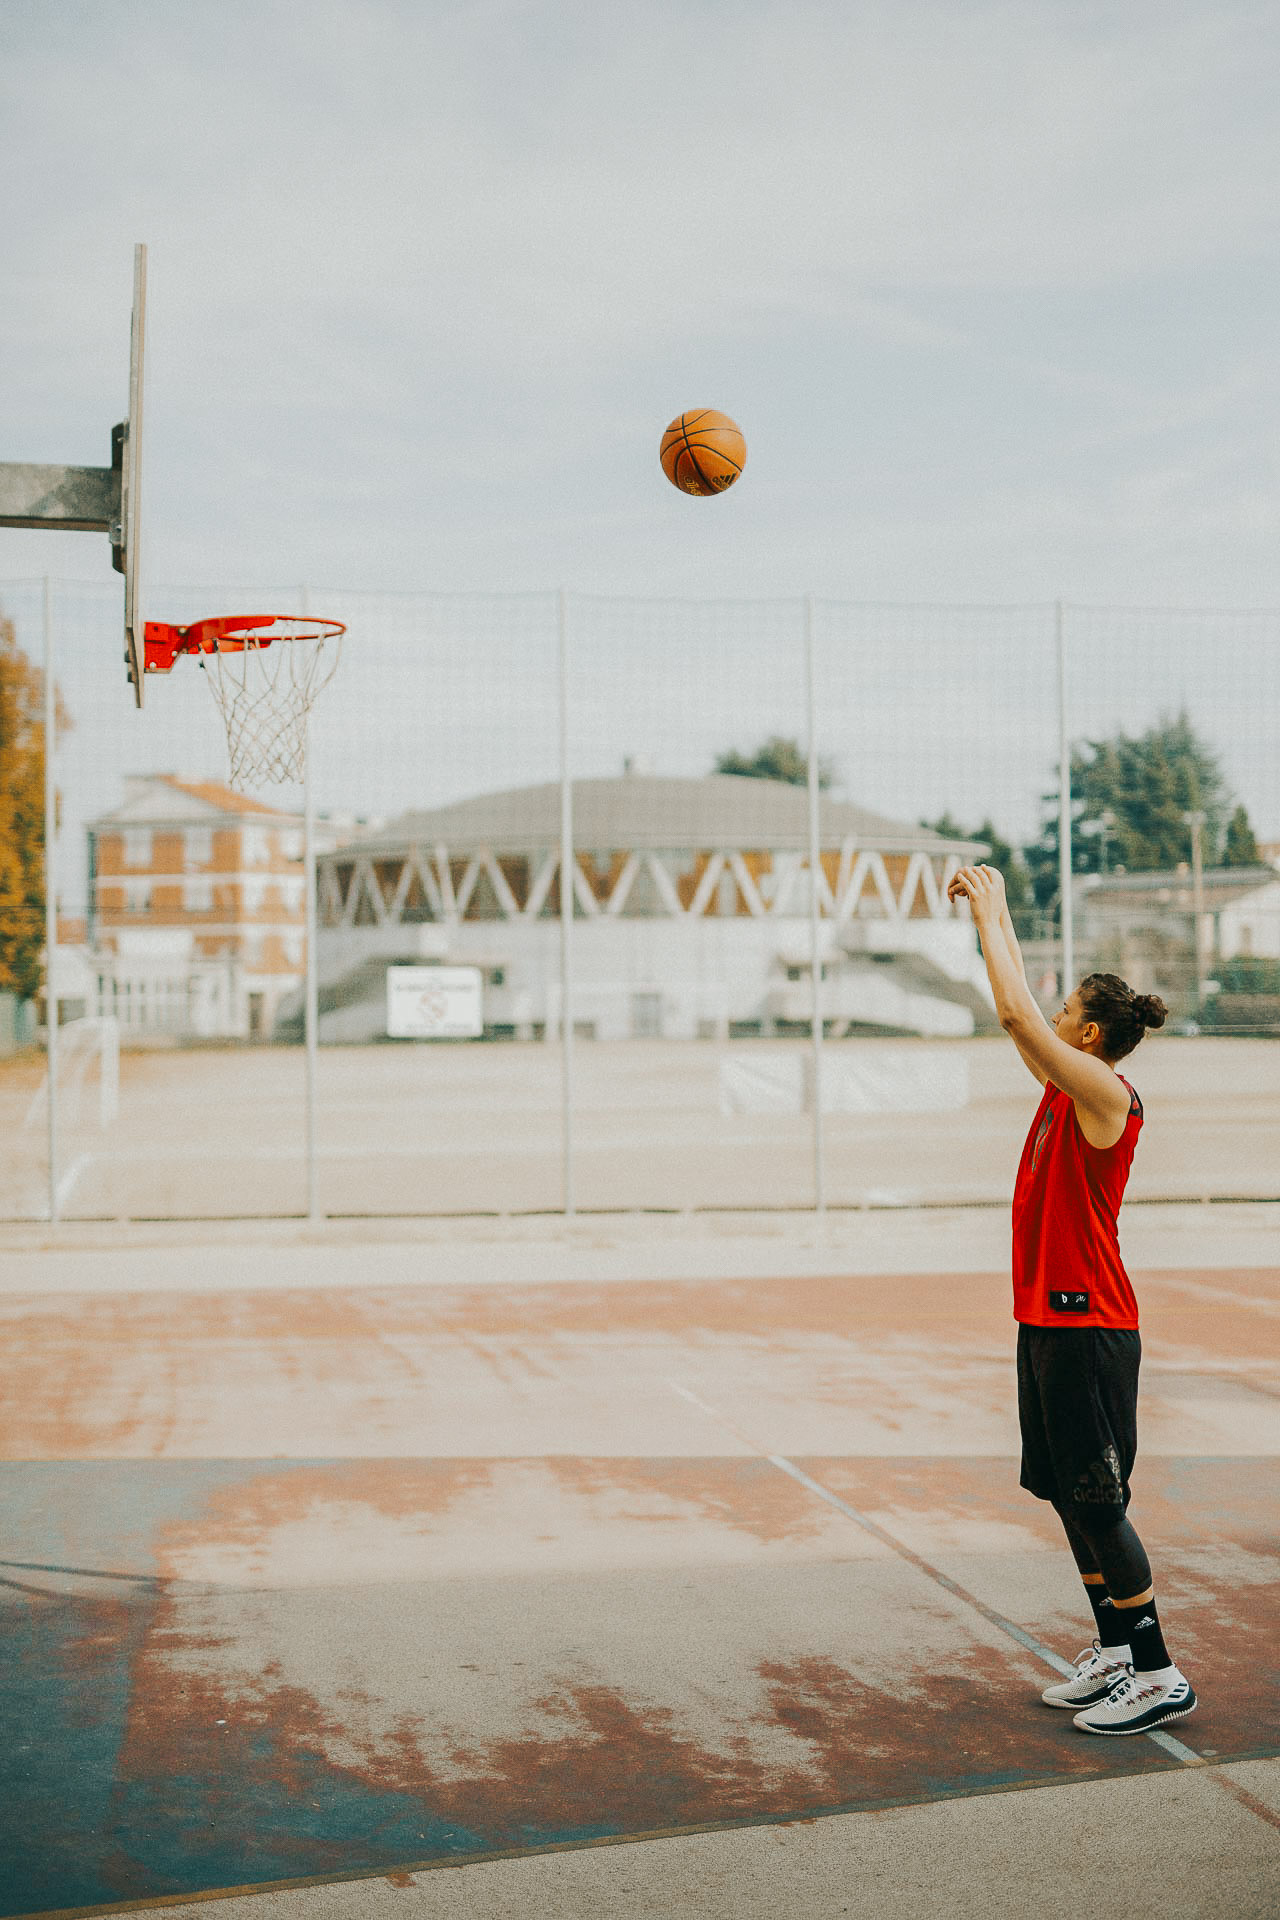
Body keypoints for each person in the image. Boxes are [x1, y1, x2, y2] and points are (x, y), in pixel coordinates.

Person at [947, 863, 1196, 1736]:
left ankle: (1159, 1672)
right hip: (1048, 1322)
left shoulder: (1103, 1095)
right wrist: (1003, 914)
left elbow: (1017, 1014)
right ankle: (1118, 1650)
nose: (1047, 1025)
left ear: (1088, 1036)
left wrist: (985, 918)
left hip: (1091, 1325)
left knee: (1101, 1502)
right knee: (1065, 1493)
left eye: (1065, 1017)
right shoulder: (1064, 1076)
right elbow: (1022, 1023)